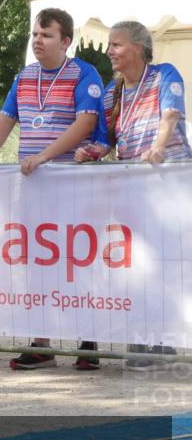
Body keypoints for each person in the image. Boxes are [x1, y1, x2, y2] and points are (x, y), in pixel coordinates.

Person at [0, 8, 107, 371]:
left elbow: (86, 122)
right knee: (38, 263)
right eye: (34, 35)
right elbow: (6, 117)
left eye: (45, 35)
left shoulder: (84, 73)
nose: (37, 41)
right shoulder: (24, 76)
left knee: (78, 260)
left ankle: (88, 340)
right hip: (33, 187)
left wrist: (45, 155)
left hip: (71, 185)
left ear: (65, 41)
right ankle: (41, 342)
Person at [76, 21, 190, 371]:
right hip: (132, 188)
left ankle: (163, 341)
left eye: (117, 45)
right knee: (138, 263)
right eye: (109, 44)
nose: (110, 51)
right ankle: (145, 338)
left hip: (168, 182)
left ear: (139, 47)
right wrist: (89, 152)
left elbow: (170, 114)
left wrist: (157, 147)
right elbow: (107, 139)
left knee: (167, 262)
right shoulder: (112, 91)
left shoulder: (163, 75)